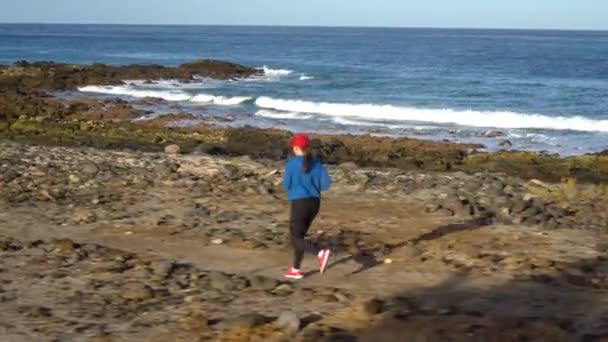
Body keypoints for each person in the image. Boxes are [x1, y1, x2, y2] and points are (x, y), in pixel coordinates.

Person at [282, 133, 332, 280]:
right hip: (314, 204)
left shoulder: (292, 164)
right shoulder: (317, 163)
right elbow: (326, 185)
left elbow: (286, 185)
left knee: (295, 237)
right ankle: (295, 270)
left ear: (296, 148)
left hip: (300, 203)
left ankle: (319, 253)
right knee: (300, 237)